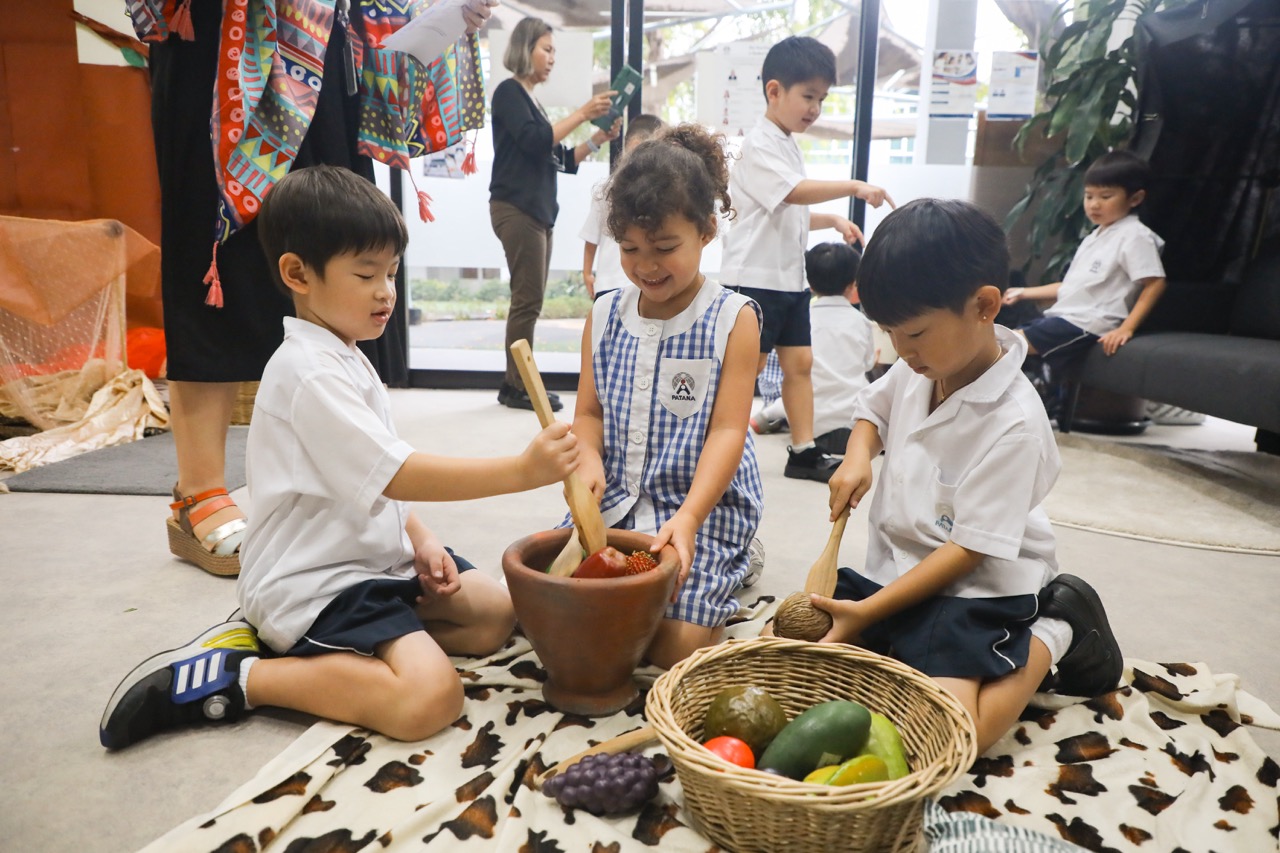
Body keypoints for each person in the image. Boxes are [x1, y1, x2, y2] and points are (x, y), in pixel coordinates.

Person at [99, 166, 579, 749]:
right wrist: (522, 473)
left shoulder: (345, 353)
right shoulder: (307, 373)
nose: (386, 292)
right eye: (365, 274)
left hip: (375, 562)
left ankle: (323, 645)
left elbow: (380, 475)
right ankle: (244, 674)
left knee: (492, 617)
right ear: (298, 274)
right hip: (317, 580)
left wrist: (421, 540)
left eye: (392, 273)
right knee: (429, 699)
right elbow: (399, 471)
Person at [129, 0, 496, 578]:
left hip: (325, 35)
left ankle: (343, 471)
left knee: (341, 237)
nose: (388, 291)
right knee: (215, 250)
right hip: (224, 34)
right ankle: (198, 490)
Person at [812, 199, 1123, 755]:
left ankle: (1059, 628)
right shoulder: (921, 366)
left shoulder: (1016, 426)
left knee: (948, 739)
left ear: (983, 306)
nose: (900, 353)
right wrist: (858, 455)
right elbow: (873, 411)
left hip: (972, 588)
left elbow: (967, 553)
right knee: (787, 648)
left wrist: (866, 614)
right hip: (897, 571)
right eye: (888, 333)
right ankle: (895, 635)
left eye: (914, 334)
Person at [572, 125, 764, 669]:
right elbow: (588, 413)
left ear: (706, 231)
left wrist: (690, 519)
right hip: (614, 502)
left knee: (671, 649)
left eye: (664, 248)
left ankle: (738, 558)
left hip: (699, 504)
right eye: (630, 249)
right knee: (566, 607)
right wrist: (587, 458)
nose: (646, 266)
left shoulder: (733, 319)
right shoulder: (605, 314)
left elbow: (729, 430)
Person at [718, 35, 894, 483]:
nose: (814, 109)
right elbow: (792, 193)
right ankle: (721, 449)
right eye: (808, 96)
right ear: (774, 91)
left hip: (789, 281)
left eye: (822, 99)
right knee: (746, 372)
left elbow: (787, 210)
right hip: (754, 280)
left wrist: (832, 218)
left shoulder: (786, 142)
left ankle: (803, 450)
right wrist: (853, 187)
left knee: (799, 367)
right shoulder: (757, 144)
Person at [490, 16, 621, 412]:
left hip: (536, 211)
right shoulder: (508, 93)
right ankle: (517, 386)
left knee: (528, 300)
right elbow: (535, 141)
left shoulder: (531, 100)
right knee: (526, 301)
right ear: (524, 49)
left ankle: (517, 382)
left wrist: (597, 139)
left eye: (553, 52)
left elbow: (560, 158)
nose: (551, 59)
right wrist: (582, 114)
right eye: (546, 49)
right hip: (517, 208)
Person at [1003, 151, 1167, 375]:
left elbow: (1155, 283)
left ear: (1135, 199)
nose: (1094, 205)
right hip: (1063, 318)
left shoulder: (1135, 236)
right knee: (1001, 338)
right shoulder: (1094, 237)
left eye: (1105, 197)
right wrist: (1023, 292)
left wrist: (1125, 329)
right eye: (1089, 196)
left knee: (1003, 346)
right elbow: (1070, 286)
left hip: (1087, 324)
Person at [750, 242, 877, 455]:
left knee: (796, 390)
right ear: (852, 284)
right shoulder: (860, 322)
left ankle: (765, 417)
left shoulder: (801, 322)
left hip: (807, 421)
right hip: (852, 418)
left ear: (809, 283)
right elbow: (868, 363)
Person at [580, 114, 666, 299]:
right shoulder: (606, 188)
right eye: (633, 153)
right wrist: (587, 272)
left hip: (644, 282)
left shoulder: (664, 190)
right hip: (609, 281)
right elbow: (591, 236)